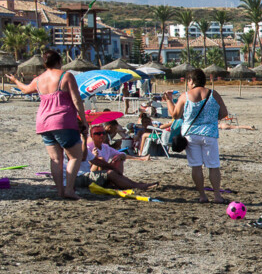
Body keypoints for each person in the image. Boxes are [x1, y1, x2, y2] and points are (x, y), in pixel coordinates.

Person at [6, 49, 89, 200]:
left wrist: (15, 80)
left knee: (55, 159)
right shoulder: (66, 76)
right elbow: (77, 100)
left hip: (43, 122)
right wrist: (84, 121)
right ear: (59, 61)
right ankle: (69, 190)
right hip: (63, 120)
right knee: (75, 156)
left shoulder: (39, 79)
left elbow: (25, 89)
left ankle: (60, 191)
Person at [164, 69, 229, 204]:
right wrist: (211, 118)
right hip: (209, 133)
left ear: (192, 81)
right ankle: (217, 196)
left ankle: (202, 196)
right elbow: (223, 113)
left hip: (191, 134)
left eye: (188, 81)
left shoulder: (185, 96)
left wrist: (169, 100)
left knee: (196, 166)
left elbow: (175, 115)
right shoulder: (213, 94)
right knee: (213, 166)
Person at [75, 126, 158, 190]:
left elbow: (122, 154)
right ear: (92, 136)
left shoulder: (105, 147)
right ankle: (136, 185)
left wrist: (121, 156)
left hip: (95, 172)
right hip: (86, 174)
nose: (101, 135)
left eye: (103, 133)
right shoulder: (87, 147)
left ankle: (132, 184)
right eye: (98, 134)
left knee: (118, 159)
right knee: (105, 165)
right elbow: (91, 162)